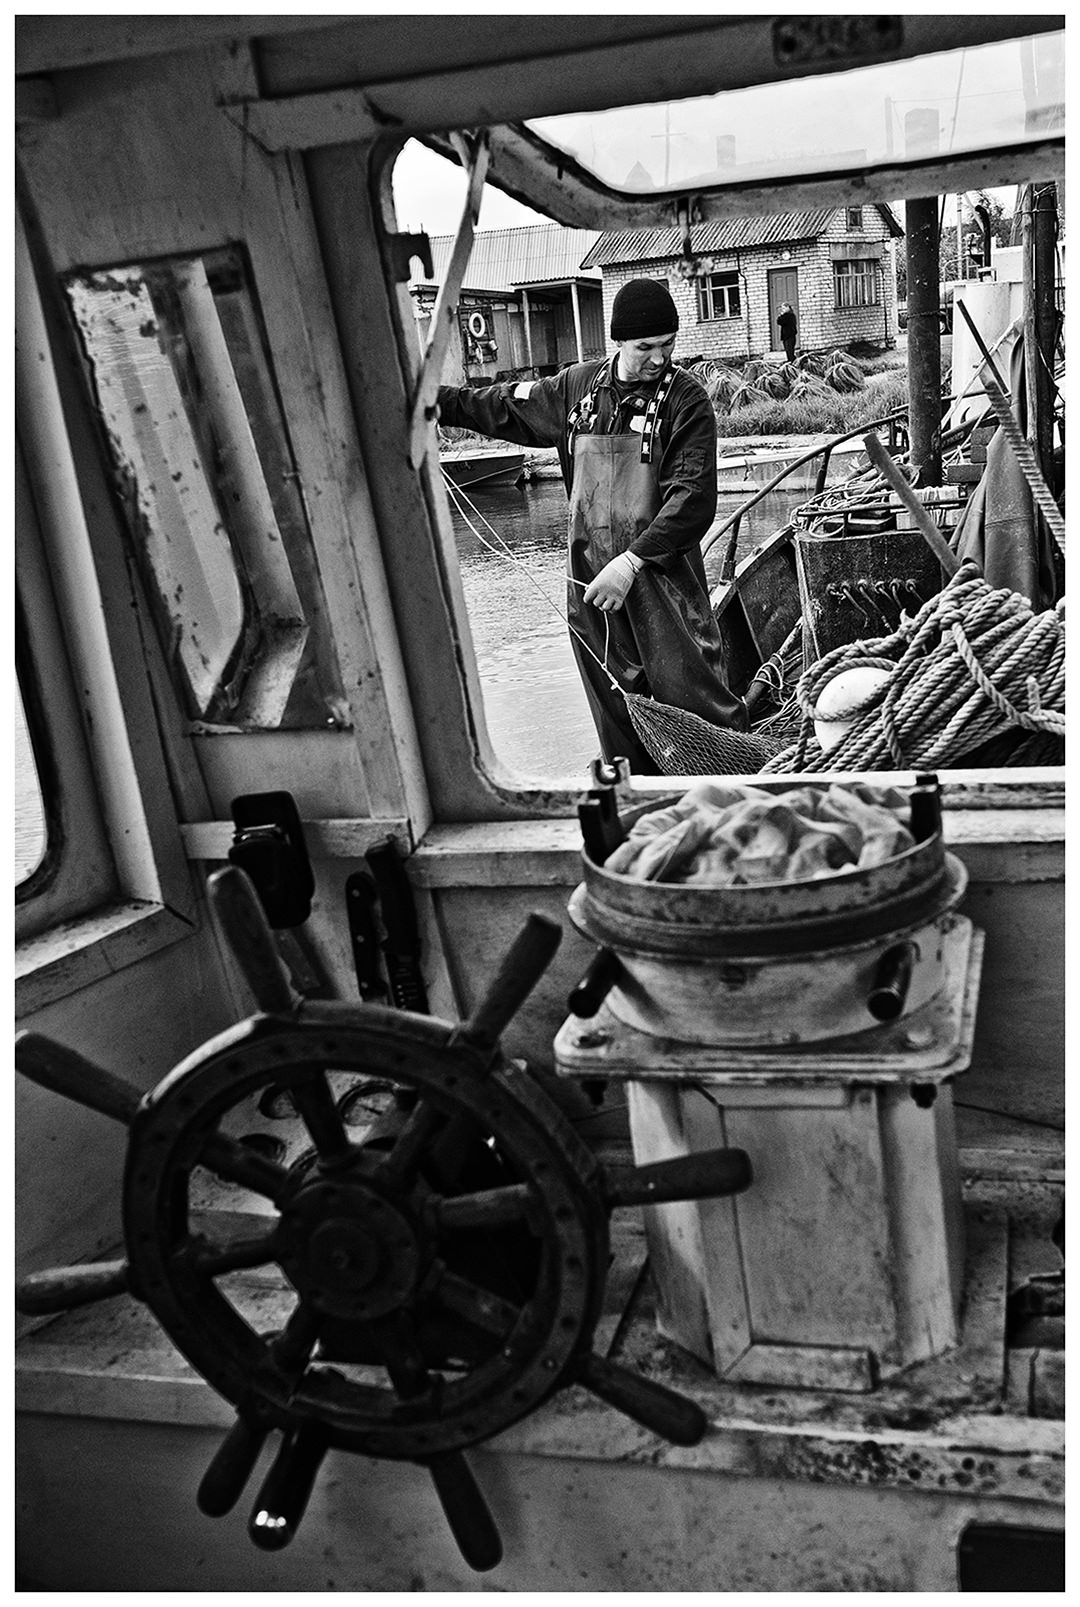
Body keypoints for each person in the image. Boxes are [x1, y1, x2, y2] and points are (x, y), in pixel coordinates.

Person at [436, 278, 746, 773]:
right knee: (613, 704)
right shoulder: (577, 389)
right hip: (590, 582)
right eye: (646, 347)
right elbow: (503, 405)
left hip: (660, 581)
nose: (659, 358)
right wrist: (436, 401)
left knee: (693, 696)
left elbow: (692, 499)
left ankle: (726, 778)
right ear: (618, 341)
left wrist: (632, 562)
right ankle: (636, 791)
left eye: (668, 345)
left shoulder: (687, 402)